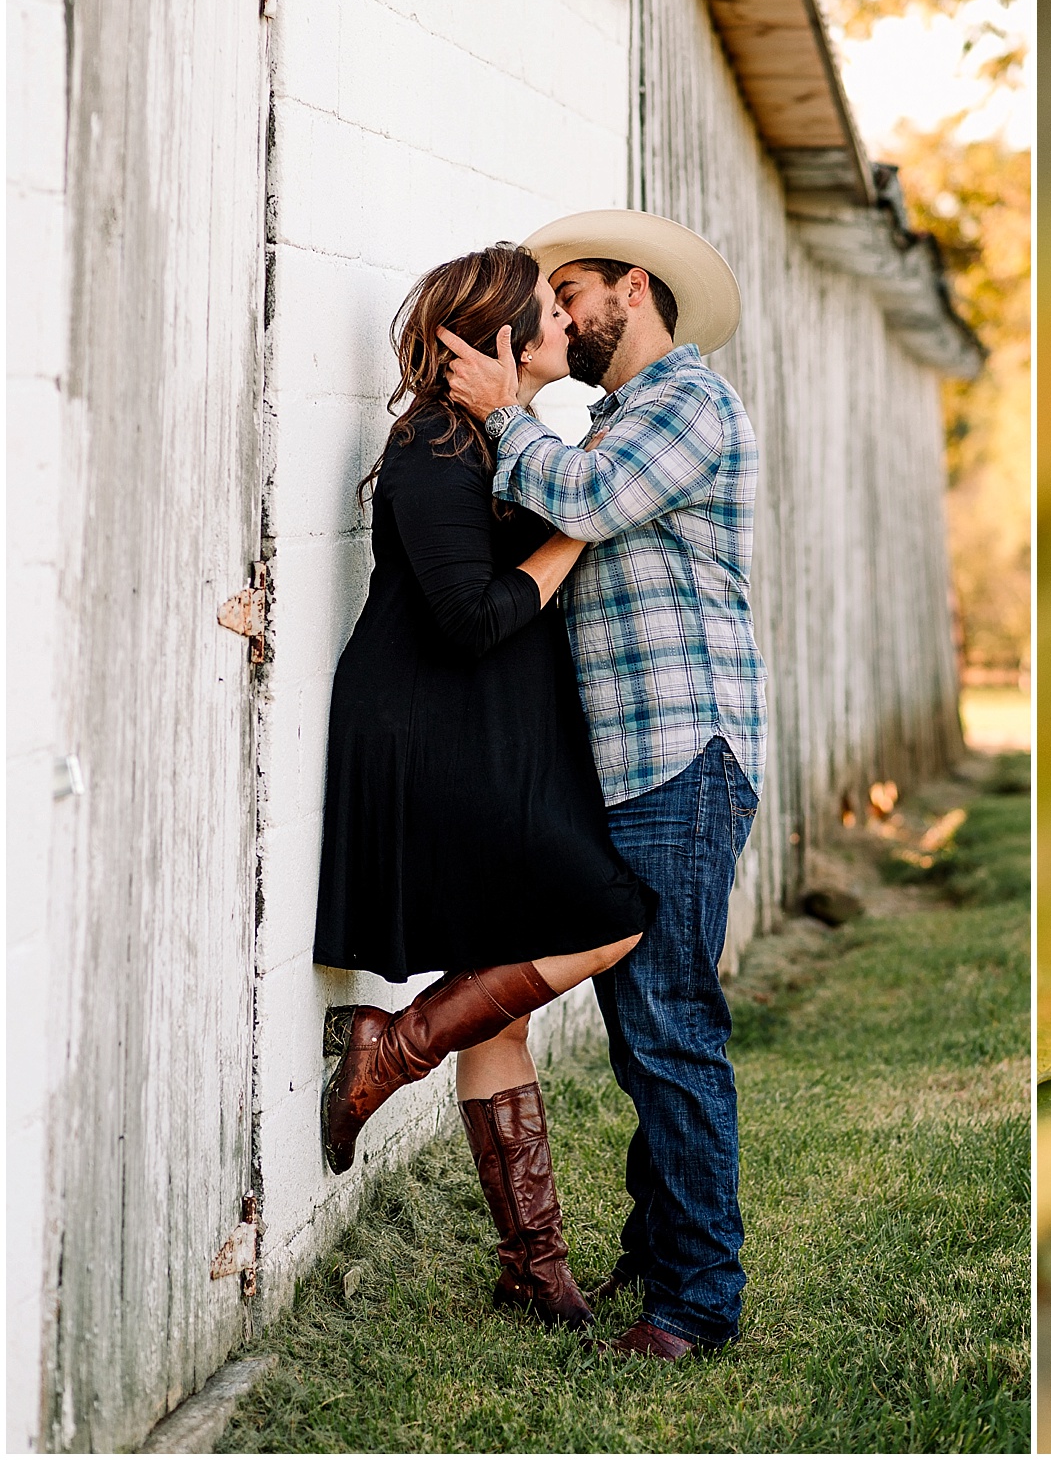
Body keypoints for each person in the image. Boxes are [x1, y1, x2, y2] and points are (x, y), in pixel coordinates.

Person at [439, 208, 764, 1363]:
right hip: (629, 765)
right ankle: (661, 1250)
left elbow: (587, 502)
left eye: (570, 289)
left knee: (669, 1028)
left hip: (683, 752)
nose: (557, 312)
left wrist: (503, 415)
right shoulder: (623, 417)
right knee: (647, 1026)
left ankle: (695, 1301)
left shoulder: (689, 400)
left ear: (632, 287)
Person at [312, 243, 656, 1333]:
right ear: (505, 335)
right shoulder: (428, 450)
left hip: (489, 736)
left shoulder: (495, 443)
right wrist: (568, 540)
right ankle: (393, 1045)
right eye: (549, 311)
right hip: (431, 737)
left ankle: (533, 1270)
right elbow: (469, 619)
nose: (567, 323)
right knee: (611, 917)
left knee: (494, 989)